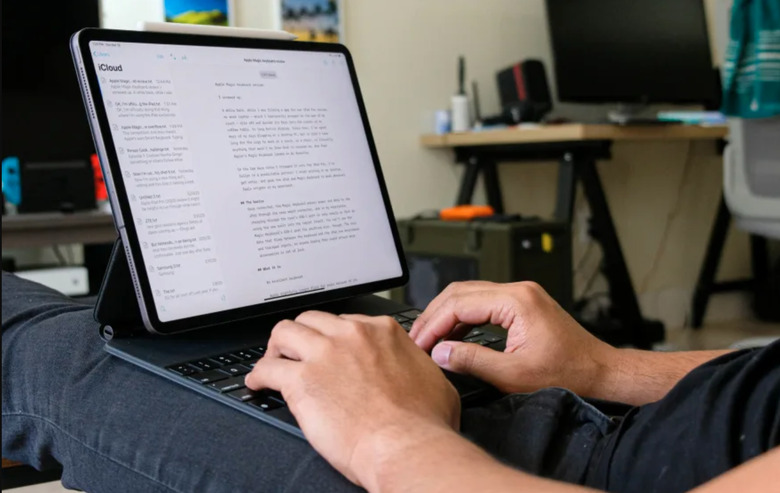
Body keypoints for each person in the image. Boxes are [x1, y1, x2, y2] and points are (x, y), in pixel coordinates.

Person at [2, 272, 778, 492]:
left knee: (50, 352)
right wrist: (606, 367)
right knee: (126, 328)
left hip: (500, 473)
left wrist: (392, 434)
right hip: (613, 424)